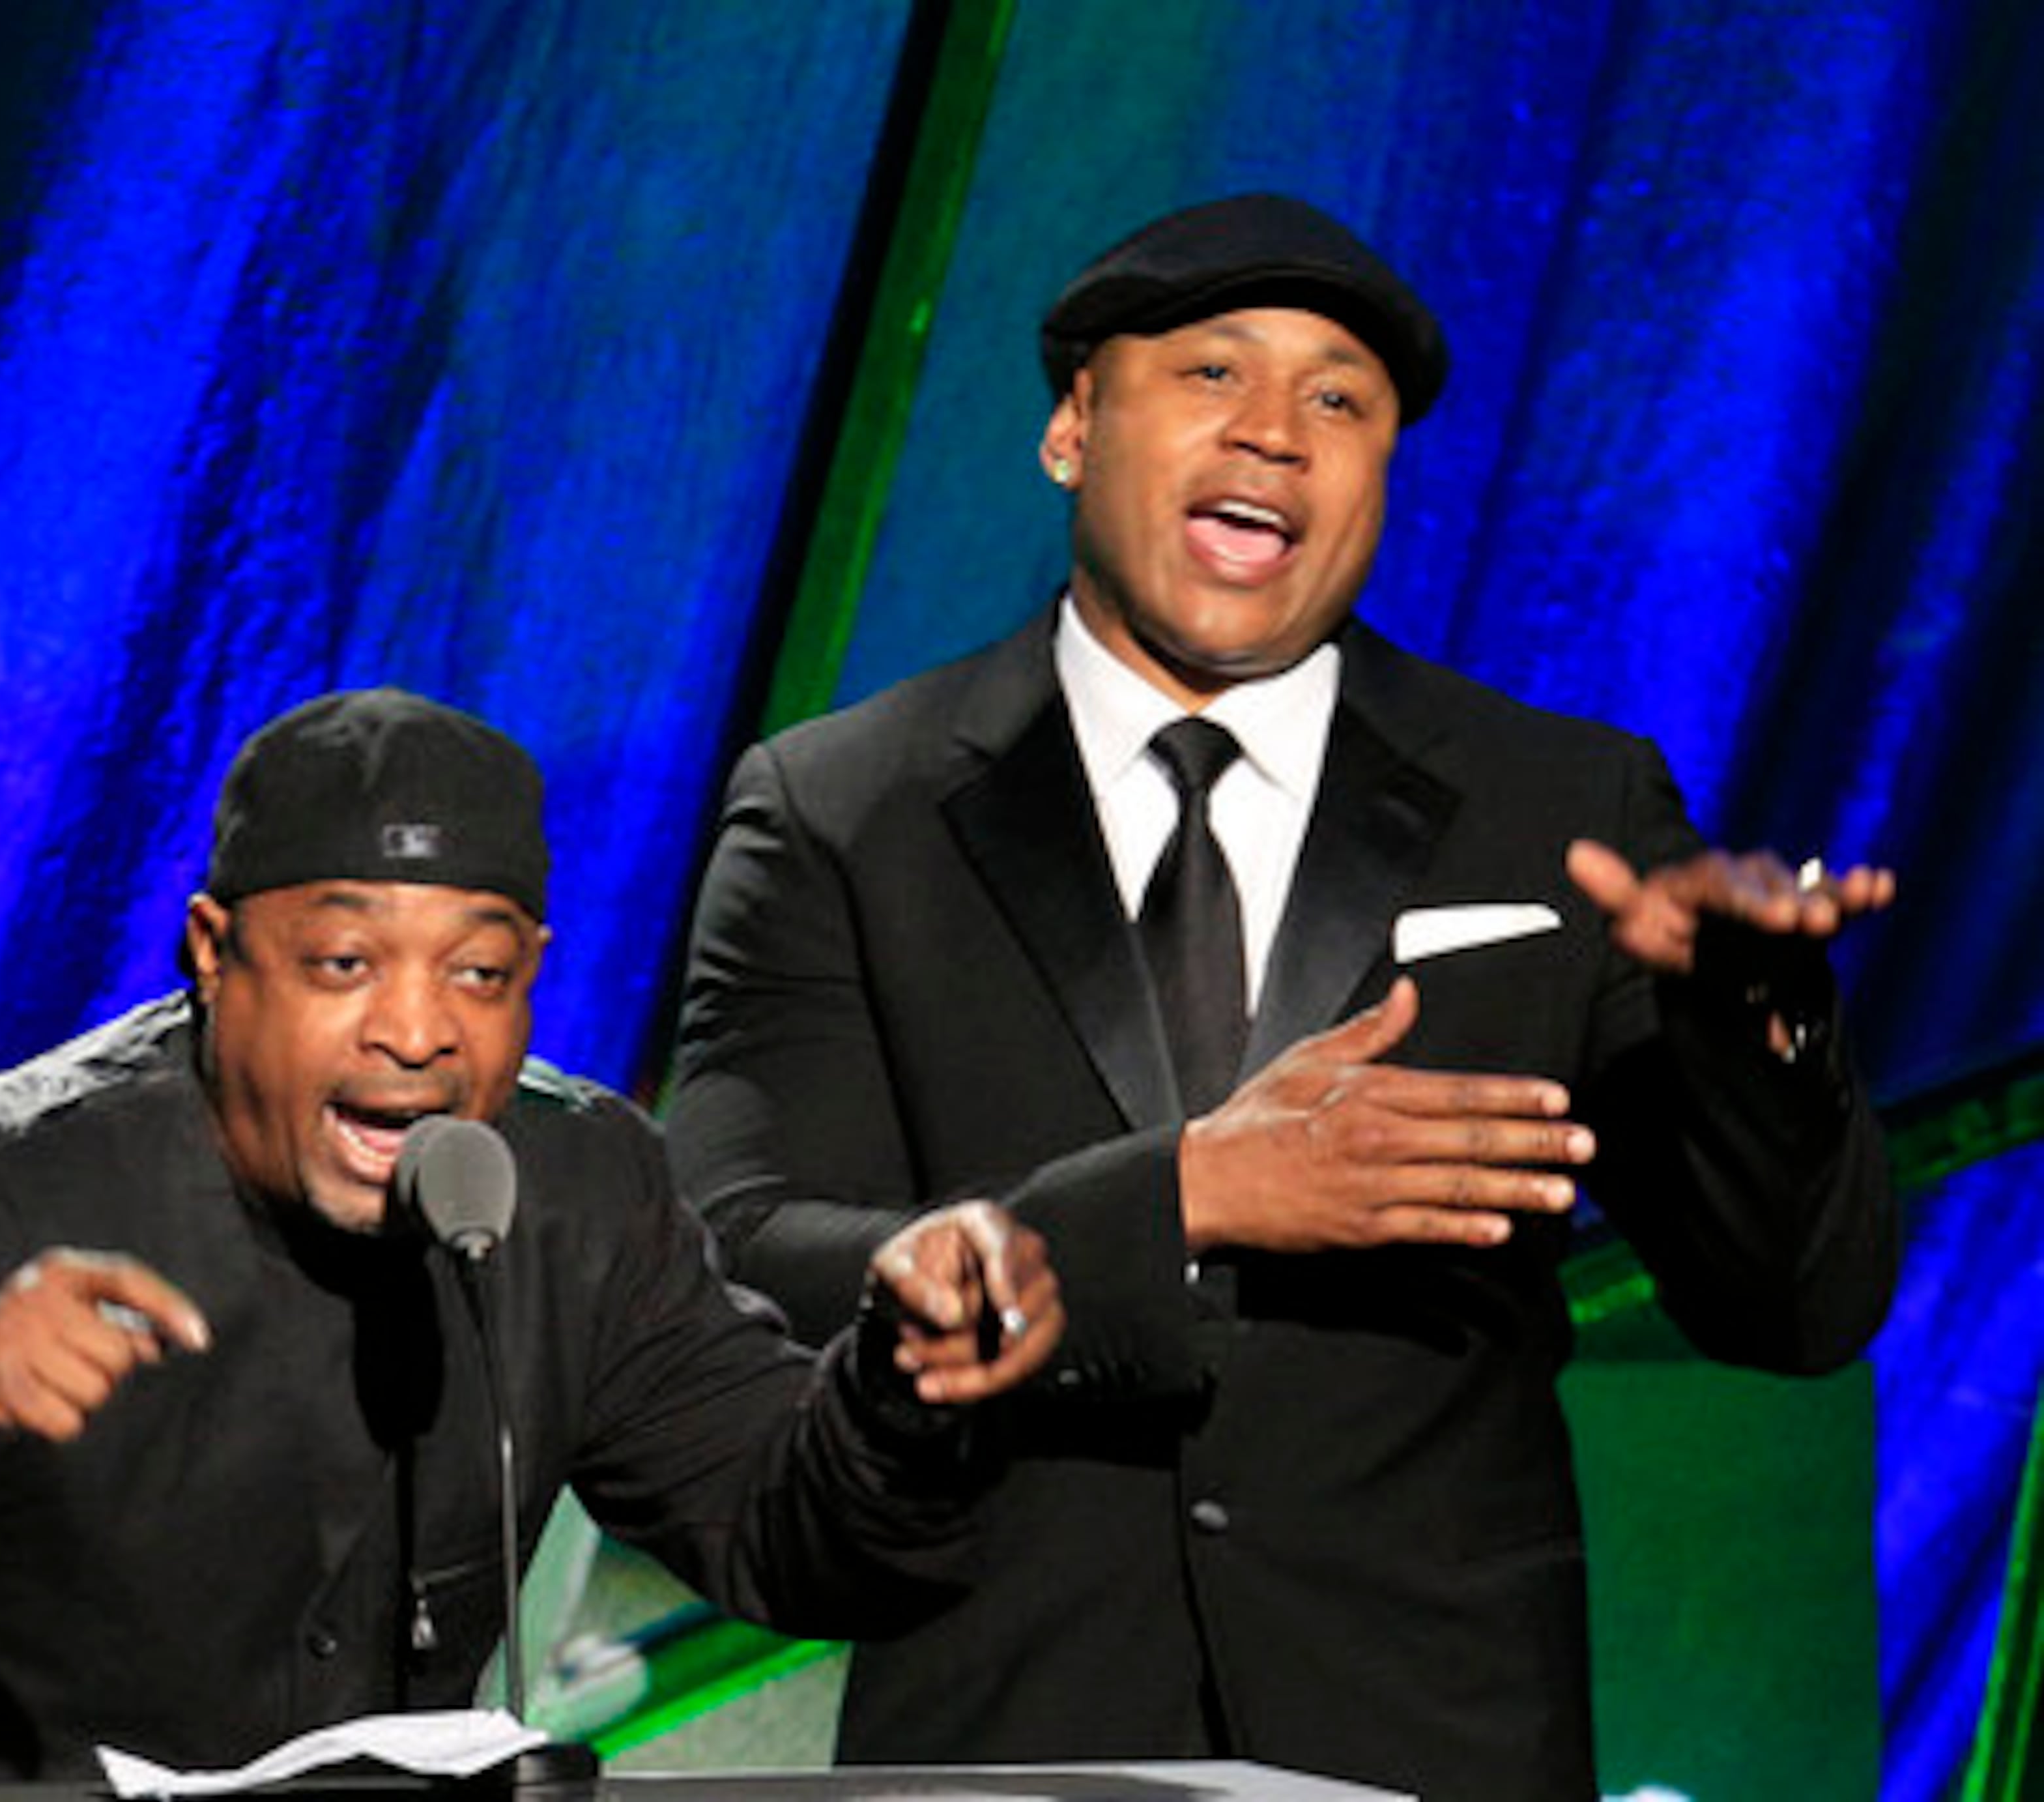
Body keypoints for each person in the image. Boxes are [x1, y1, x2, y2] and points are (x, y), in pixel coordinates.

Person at [665, 193, 1899, 1802]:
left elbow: (1797, 1310)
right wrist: (1178, 1199)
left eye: (1339, 400)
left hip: (1431, 1747)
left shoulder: (1561, 806)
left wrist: (1756, 1030)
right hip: (1019, 1738)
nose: (1275, 433)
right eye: (1213, 373)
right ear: (1072, 427)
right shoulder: (844, 810)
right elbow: (733, 1275)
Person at [0, 688, 1063, 1783]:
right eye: (346, 962)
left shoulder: (578, 1189)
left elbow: (795, 1537)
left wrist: (897, 1394)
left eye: (479, 975)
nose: (418, 1031)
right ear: (216, 957)